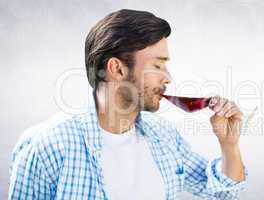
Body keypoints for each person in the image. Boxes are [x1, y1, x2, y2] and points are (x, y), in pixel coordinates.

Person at [9, 9, 247, 200]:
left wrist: (229, 145)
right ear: (117, 68)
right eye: (157, 65)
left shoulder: (164, 137)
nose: (168, 77)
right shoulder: (48, 145)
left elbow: (224, 192)